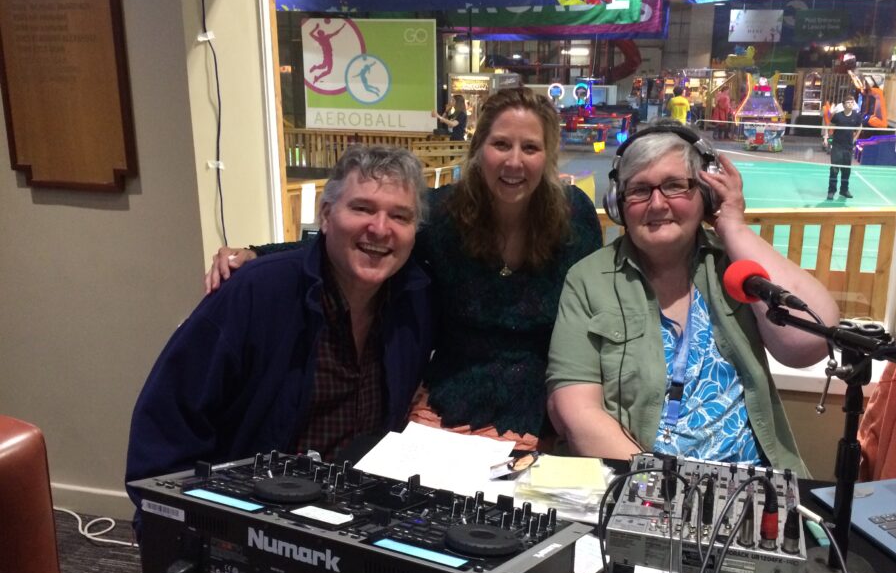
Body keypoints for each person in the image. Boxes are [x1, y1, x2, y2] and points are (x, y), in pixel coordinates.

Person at [205, 88, 603, 451]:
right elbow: (368, 239)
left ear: (547, 155)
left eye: (530, 147)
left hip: (543, 406)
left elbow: (593, 306)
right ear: (479, 149)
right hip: (449, 400)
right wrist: (258, 253)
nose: (514, 161)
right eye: (501, 144)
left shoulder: (575, 218)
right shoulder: (446, 213)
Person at [126, 145, 433, 527]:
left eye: (399, 216)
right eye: (362, 208)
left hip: (349, 525)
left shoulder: (415, 302)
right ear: (325, 215)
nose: (380, 228)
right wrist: (175, 525)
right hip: (243, 520)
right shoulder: (255, 292)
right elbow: (166, 423)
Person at [546, 123, 839, 471]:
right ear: (618, 204)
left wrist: (734, 226)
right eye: (639, 190)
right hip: (643, 487)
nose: (657, 204)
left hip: (755, 486)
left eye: (674, 186)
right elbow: (577, 411)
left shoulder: (736, 264)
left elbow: (811, 341)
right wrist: (658, 487)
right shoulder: (588, 280)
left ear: (706, 194)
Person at [828, 94, 861, 200]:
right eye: (848, 102)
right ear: (843, 104)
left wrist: (855, 138)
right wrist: (828, 137)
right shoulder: (838, 116)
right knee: (834, 169)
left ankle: (844, 190)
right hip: (837, 146)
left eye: (852, 102)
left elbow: (859, 126)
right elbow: (830, 126)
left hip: (848, 147)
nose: (850, 104)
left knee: (846, 170)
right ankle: (831, 191)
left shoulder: (856, 116)